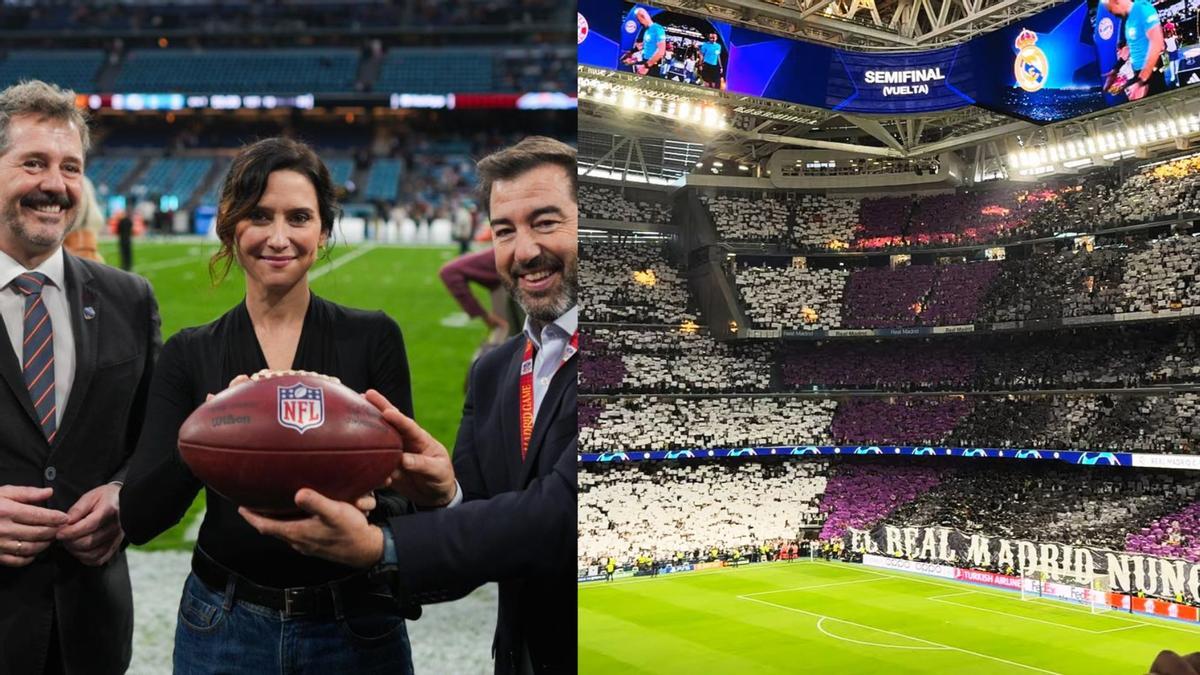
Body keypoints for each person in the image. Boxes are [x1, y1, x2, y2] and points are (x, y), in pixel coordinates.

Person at [240, 135, 579, 674]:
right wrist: (447, 493)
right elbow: (477, 532)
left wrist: (382, 546)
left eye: (546, 222)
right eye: (504, 230)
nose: (524, 251)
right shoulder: (494, 371)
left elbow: (562, 519)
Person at [119, 137, 419, 673]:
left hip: (354, 620)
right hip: (224, 622)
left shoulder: (372, 338)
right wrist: (208, 434)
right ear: (232, 226)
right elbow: (140, 516)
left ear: (323, 232)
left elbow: (412, 499)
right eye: (260, 215)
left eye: (299, 217)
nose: (278, 237)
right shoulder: (191, 352)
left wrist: (371, 508)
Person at [0, 80, 160, 675]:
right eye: (33, 162)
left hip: (90, 626)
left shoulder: (130, 299)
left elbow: (155, 438)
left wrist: (124, 493)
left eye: (71, 167)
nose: (55, 185)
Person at [1106, 0, 1167, 100]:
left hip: (1151, 72)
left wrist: (1142, 80)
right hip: (1139, 73)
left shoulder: (1143, 8)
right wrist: (1115, 69)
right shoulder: (1127, 20)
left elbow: (1158, 44)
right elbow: (1129, 47)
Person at [633, 7, 667, 77]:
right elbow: (647, 45)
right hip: (645, 62)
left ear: (644, 17)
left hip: (651, 65)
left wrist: (646, 66)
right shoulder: (647, 30)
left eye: (639, 20)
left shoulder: (658, 29)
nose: (639, 22)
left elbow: (661, 51)